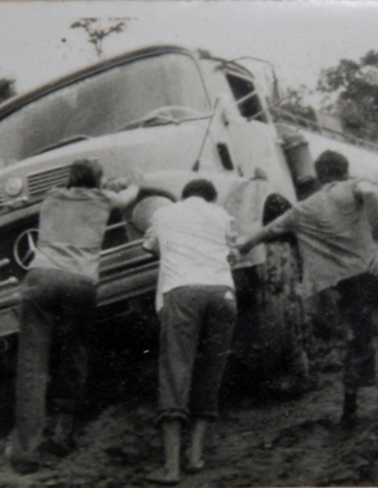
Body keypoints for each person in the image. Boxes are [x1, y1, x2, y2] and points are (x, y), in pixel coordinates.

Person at [237, 150, 378, 452]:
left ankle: (349, 413)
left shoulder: (305, 208)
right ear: (344, 170)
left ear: (319, 175)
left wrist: (242, 245)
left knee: (358, 339)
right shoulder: (352, 187)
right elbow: (372, 193)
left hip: (350, 284)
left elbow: (267, 231)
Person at [8, 159, 140, 474]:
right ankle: (63, 432)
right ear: (98, 182)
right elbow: (129, 195)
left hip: (40, 279)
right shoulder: (105, 199)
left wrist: (103, 183)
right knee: (75, 352)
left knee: (32, 363)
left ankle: (26, 452)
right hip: (79, 282)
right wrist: (134, 177)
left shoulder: (53, 196)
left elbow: (86, 190)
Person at [143, 179, 237, 486]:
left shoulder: (163, 213)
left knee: (175, 371)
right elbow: (232, 252)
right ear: (212, 197)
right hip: (223, 294)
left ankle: (171, 469)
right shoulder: (223, 215)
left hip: (182, 292)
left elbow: (150, 248)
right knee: (211, 371)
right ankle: (195, 455)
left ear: (183, 195)